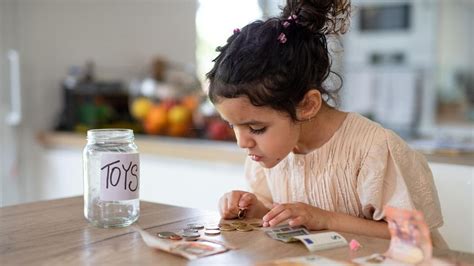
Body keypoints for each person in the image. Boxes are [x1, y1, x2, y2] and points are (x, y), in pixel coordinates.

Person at [206, 0, 446, 247]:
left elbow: (414, 236)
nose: (242, 142)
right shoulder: (269, 154)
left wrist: (325, 219)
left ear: (307, 105)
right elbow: (278, 211)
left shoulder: (372, 150)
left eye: (256, 128)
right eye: (233, 126)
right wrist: (257, 209)